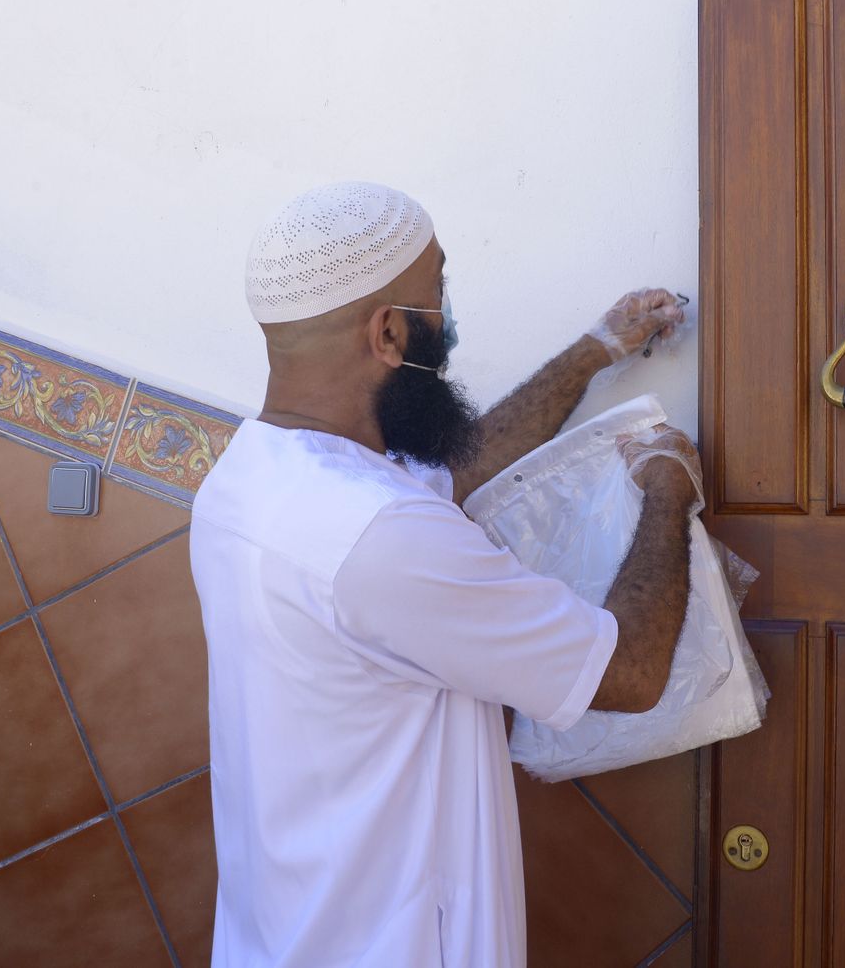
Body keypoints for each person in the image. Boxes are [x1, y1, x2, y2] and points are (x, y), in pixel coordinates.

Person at [190, 181, 703, 967]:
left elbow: (451, 475)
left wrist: (597, 349)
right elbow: (630, 673)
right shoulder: (382, 535)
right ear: (389, 333)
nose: (449, 320)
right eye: (439, 292)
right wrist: (669, 486)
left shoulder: (250, 478)